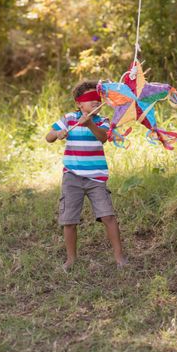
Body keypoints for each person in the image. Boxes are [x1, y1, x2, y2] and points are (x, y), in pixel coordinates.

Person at [46, 81, 126, 270]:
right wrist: (58, 134)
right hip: (72, 176)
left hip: (96, 178)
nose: (95, 103)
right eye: (89, 100)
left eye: (97, 99)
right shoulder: (69, 118)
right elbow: (48, 137)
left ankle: (119, 258)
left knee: (108, 216)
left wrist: (90, 124)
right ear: (79, 104)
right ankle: (71, 259)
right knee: (69, 219)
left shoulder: (101, 121)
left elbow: (103, 137)